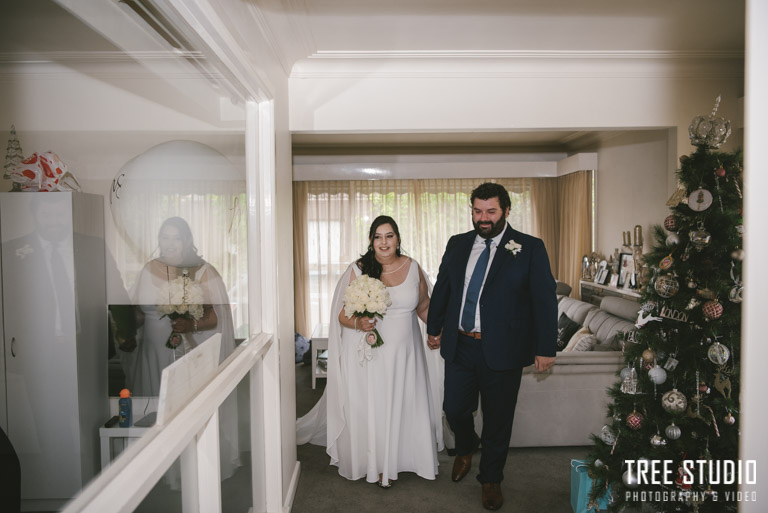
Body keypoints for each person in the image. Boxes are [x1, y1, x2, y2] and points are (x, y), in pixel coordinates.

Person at [426, 182, 557, 511]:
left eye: (491, 211)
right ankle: (466, 445)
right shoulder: (457, 244)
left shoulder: (529, 247)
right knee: (454, 408)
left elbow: (544, 300)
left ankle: (491, 479)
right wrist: (434, 327)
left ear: (506, 211)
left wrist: (546, 348)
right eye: (477, 211)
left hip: (504, 349)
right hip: (461, 343)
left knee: (498, 419)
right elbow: (444, 287)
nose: (483, 218)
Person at [296, 215, 443, 487]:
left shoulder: (413, 267)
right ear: (371, 241)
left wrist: (436, 331)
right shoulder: (359, 269)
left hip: (407, 354)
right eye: (378, 237)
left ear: (398, 238)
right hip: (373, 354)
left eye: (389, 236)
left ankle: (407, 459)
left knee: (406, 402)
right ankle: (378, 464)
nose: (384, 242)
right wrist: (359, 323)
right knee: (377, 407)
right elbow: (342, 315)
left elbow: (424, 306)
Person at [131, 216, 240, 484]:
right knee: (159, 409)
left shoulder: (202, 271)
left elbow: (215, 318)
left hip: (186, 353)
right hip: (153, 354)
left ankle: (191, 471)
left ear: (187, 240)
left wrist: (190, 324)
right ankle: (160, 471)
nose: (170, 244)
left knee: (184, 409)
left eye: (176, 238)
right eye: (164, 237)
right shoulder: (148, 269)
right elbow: (137, 312)